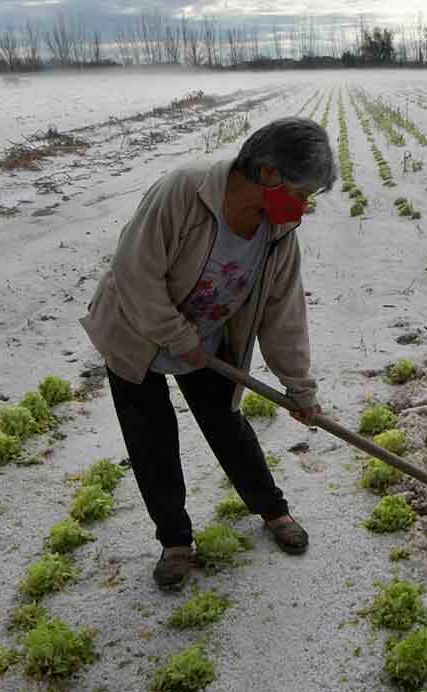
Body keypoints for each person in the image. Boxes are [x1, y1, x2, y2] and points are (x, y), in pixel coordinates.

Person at [80, 117, 336, 589]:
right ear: (270, 175)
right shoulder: (183, 192)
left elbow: (283, 314)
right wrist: (178, 338)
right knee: (151, 438)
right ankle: (175, 542)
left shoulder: (279, 233)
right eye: (302, 194)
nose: (303, 207)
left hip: (208, 338)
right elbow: (135, 273)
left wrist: (300, 388)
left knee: (227, 425)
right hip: (135, 331)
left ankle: (272, 510)